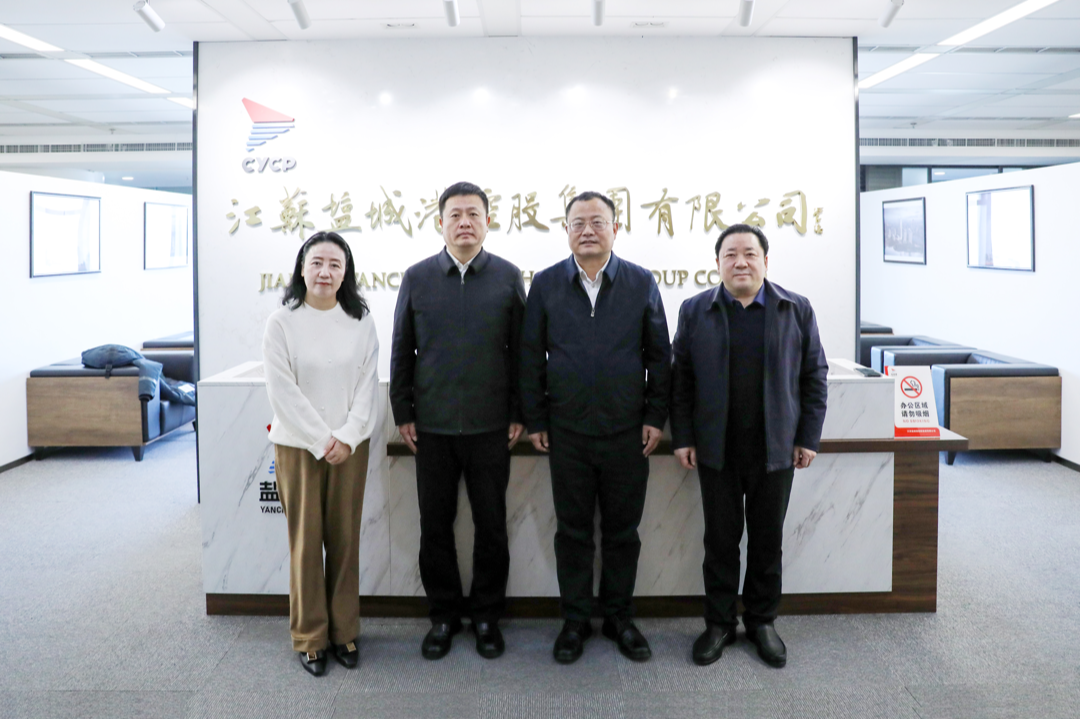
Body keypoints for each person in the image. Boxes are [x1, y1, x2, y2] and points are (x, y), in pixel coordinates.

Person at [520, 191, 671, 664]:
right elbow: (530, 356)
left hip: (627, 432)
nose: (587, 230)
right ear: (566, 230)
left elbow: (659, 356)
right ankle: (576, 620)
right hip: (566, 432)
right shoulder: (546, 284)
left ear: (615, 229)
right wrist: (536, 418)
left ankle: (619, 618)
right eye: (578, 223)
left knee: (623, 532)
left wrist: (654, 416)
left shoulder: (640, 282)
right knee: (573, 532)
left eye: (597, 222)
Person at [670, 223, 828, 669]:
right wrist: (683, 437)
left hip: (775, 450)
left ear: (765, 261)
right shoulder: (695, 310)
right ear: (718, 262)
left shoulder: (795, 309)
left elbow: (814, 376)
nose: (740, 262)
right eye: (730, 254)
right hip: (716, 449)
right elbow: (680, 380)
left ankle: (761, 622)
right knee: (720, 542)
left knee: (766, 541)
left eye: (750, 254)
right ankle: (719, 623)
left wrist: (808, 437)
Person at [390, 182, 527, 660]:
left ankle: (487, 615)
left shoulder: (507, 277)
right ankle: (444, 616)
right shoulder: (418, 277)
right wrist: (403, 411)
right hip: (432, 427)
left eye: (473, 214)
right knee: (435, 526)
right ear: (440, 223)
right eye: (455, 214)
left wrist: (519, 411)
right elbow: (402, 349)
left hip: (492, 427)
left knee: (492, 525)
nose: (464, 222)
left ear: (488, 222)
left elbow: (522, 352)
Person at [262, 231, 379, 676]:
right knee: (306, 544)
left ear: (346, 273)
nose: (325, 272)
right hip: (298, 448)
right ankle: (310, 636)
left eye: (334, 264)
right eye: (317, 263)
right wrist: (320, 439)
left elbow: (367, 384)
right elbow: (282, 391)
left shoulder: (360, 321)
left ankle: (344, 631)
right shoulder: (282, 322)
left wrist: (346, 436)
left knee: (345, 542)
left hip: (350, 448)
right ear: (302, 268)